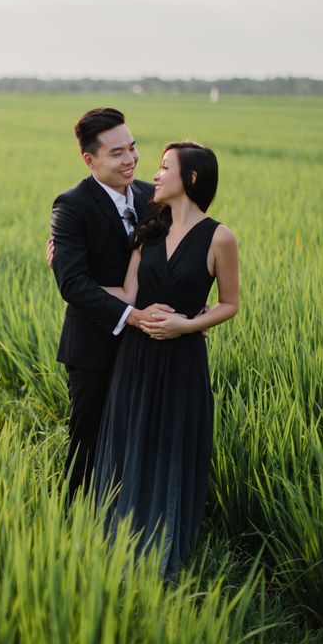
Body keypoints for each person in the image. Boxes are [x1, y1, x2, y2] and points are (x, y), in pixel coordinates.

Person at [94, 141, 239, 578]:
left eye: (163, 167)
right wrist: (66, 271)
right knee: (132, 439)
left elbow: (229, 304)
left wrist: (186, 326)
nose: (153, 175)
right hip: (136, 357)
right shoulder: (151, 229)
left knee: (170, 446)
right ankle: (117, 540)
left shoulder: (220, 237)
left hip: (182, 360)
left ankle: (163, 544)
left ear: (191, 178)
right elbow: (129, 295)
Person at [50, 108, 173, 503]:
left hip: (148, 345)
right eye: (118, 153)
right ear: (90, 160)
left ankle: (129, 512)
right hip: (93, 345)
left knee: (140, 432)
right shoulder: (71, 205)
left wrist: (195, 309)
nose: (131, 159)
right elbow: (73, 284)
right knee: (87, 437)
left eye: (133, 148)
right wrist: (133, 316)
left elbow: (176, 258)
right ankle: (72, 518)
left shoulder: (151, 196)